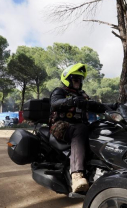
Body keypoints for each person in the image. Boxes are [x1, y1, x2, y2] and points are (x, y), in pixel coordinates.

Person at [49, 63, 117, 193]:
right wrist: (70, 101)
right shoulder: (60, 91)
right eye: (75, 79)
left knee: (102, 128)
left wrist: (114, 106)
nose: (78, 82)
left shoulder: (82, 95)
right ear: (67, 79)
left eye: (80, 80)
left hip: (80, 126)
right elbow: (55, 103)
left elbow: (96, 106)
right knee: (80, 129)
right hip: (61, 126)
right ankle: (76, 175)